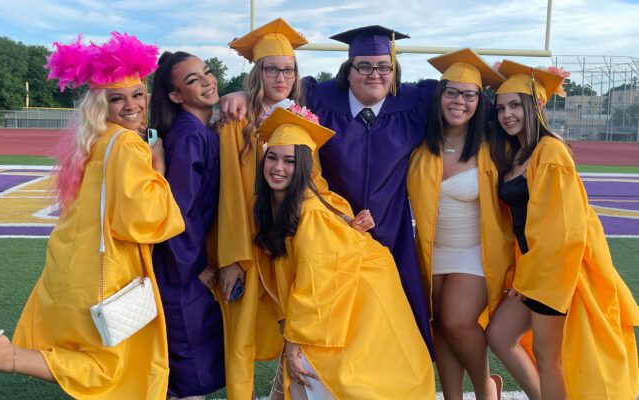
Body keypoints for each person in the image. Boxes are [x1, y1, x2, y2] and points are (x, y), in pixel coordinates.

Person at [0, 32, 184, 399]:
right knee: (108, 367)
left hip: (74, 267)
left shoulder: (94, 141)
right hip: (109, 274)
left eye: (137, 94)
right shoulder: (126, 145)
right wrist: (159, 168)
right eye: (116, 98)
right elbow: (142, 219)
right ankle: (4, 356)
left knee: (92, 358)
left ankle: (6, 356)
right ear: (100, 105)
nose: (131, 105)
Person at [221, 25, 436, 353]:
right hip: (327, 235)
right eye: (363, 66)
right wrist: (241, 94)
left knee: (392, 328)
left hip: (390, 236)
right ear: (348, 70)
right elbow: (280, 94)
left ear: (394, 70)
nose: (374, 74)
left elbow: (466, 101)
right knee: (329, 329)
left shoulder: (414, 103)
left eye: (383, 66)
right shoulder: (319, 98)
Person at [218, 18, 369, 399]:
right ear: (257, 72)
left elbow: (314, 183)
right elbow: (232, 193)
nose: (281, 76)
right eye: (272, 68)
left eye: (288, 69)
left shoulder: (301, 117)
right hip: (249, 242)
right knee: (241, 332)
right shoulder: (237, 120)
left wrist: (342, 218)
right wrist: (233, 255)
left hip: (288, 238)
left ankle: (283, 392)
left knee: (295, 322)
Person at [254, 106, 435, 399]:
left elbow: (317, 283)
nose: (278, 167)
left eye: (289, 161)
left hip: (358, 305)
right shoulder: (292, 202)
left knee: (340, 379)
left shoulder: (311, 212)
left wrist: (293, 341)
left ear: (303, 166)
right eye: (272, 157)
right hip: (344, 302)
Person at [486, 60, 638, 399]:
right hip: (535, 272)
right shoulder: (519, 152)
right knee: (499, 334)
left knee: (547, 357)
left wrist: (531, 281)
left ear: (535, 105)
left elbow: (562, 230)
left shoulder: (550, 153)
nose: (506, 114)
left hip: (556, 274)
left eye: (514, 105)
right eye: (500, 108)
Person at [407, 48, 513, 399]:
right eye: (451, 92)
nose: (459, 101)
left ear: (479, 101)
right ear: (440, 96)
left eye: (469, 95)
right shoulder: (420, 147)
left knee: (456, 320)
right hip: (431, 250)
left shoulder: (494, 146)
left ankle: (485, 389)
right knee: (440, 326)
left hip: (476, 251)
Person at [149, 51, 225, 399]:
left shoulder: (202, 130)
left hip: (187, 263)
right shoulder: (189, 136)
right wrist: (194, 267)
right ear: (176, 96)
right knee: (185, 366)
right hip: (179, 270)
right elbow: (179, 211)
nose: (207, 80)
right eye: (192, 79)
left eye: (206, 72)